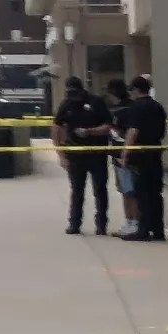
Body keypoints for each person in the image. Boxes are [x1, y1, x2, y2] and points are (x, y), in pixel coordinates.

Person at [52, 76, 116, 235]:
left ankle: (101, 225)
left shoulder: (96, 102)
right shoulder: (66, 103)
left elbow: (108, 126)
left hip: (97, 153)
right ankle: (74, 223)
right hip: (75, 154)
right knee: (77, 190)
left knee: (100, 190)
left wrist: (89, 132)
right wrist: (61, 155)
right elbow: (56, 128)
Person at [115, 74, 168, 241]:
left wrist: (125, 154)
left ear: (136, 90)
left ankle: (143, 230)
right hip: (155, 151)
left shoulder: (137, 107)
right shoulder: (157, 106)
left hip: (140, 155)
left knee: (142, 193)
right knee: (155, 193)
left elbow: (133, 131)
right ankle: (158, 230)